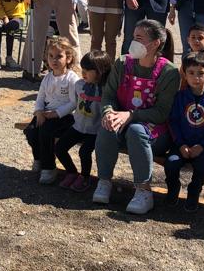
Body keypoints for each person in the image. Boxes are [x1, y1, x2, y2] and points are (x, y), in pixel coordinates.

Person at [93, 20, 179, 215]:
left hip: (155, 131)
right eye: (133, 37)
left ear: (155, 43)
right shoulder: (123, 63)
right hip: (123, 121)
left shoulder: (169, 72)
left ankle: (143, 191)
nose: (133, 42)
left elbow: (162, 112)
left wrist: (131, 115)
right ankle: (104, 181)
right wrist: (108, 112)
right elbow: (109, 94)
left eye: (139, 38)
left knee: (136, 130)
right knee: (108, 125)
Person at [164, 51, 204, 211]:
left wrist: (203, 145)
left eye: (201, 74)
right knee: (171, 164)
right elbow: (173, 121)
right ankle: (173, 187)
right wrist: (181, 144)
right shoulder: (180, 97)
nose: (196, 78)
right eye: (191, 73)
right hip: (181, 144)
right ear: (184, 73)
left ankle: (194, 191)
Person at [24, 36, 81, 184]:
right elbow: (40, 97)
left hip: (64, 117)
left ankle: (49, 168)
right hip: (46, 113)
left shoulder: (71, 78)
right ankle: (39, 158)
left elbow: (74, 103)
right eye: (50, 56)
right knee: (31, 131)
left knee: (46, 132)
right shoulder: (47, 77)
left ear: (68, 58)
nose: (54, 60)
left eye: (59, 56)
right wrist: (38, 112)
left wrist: (57, 113)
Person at [54, 50, 111, 193]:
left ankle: (85, 177)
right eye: (82, 69)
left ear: (100, 71)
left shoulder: (106, 90)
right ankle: (72, 172)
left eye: (87, 71)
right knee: (60, 147)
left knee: (84, 152)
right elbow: (73, 103)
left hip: (95, 131)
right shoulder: (79, 85)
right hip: (78, 126)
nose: (83, 73)